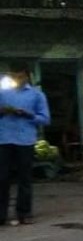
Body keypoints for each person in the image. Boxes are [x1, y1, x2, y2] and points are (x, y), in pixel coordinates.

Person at [0, 61, 50, 226]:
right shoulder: (3, 93)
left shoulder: (36, 95)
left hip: (25, 140)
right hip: (4, 139)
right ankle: (1, 214)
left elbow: (45, 119)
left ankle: (24, 213)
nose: (17, 80)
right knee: (2, 178)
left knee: (25, 178)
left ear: (27, 77)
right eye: (14, 77)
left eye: (20, 77)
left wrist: (28, 115)